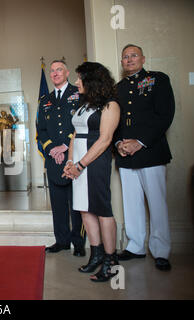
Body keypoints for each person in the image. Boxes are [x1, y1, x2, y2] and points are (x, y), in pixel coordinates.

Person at [115, 44, 175, 271]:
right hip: (125, 154)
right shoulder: (118, 87)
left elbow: (165, 115)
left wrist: (139, 142)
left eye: (133, 56)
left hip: (151, 151)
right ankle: (136, 245)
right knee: (131, 203)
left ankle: (161, 251)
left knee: (157, 203)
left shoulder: (158, 80)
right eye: (125, 57)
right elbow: (116, 121)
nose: (129, 60)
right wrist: (119, 143)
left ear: (143, 58)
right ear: (122, 62)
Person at [62, 61, 120, 282]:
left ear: (92, 80)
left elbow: (105, 140)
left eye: (79, 78)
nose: (76, 83)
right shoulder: (84, 105)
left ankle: (110, 260)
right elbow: (75, 135)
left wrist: (80, 165)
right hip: (77, 163)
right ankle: (95, 255)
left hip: (95, 162)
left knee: (101, 209)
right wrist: (70, 162)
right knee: (84, 209)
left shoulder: (110, 105)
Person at [36, 60, 86, 256]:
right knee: (57, 203)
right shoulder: (45, 100)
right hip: (53, 158)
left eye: (59, 70)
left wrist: (65, 146)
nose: (55, 73)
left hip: (73, 155)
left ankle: (79, 242)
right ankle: (62, 241)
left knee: (76, 202)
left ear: (67, 72)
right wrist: (51, 149)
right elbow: (41, 129)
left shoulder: (79, 94)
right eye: (52, 71)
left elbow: (81, 123)